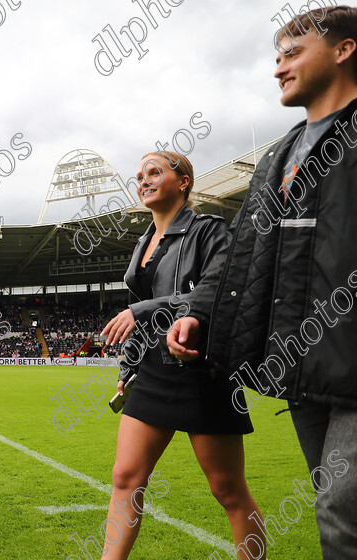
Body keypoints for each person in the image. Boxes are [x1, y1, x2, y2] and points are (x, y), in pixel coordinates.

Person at [167, 7, 357, 559]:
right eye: (276, 58)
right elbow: (241, 253)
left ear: (344, 50)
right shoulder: (279, 153)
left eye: (293, 53)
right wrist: (199, 310)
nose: (279, 69)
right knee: (338, 510)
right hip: (306, 366)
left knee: (341, 514)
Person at [100, 152, 265, 560]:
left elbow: (218, 287)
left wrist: (149, 311)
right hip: (153, 371)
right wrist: (129, 367)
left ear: (184, 181)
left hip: (203, 368)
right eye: (140, 176)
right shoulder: (142, 243)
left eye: (155, 172)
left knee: (228, 490)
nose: (144, 180)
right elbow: (143, 312)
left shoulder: (208, 230)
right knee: (125, 478)